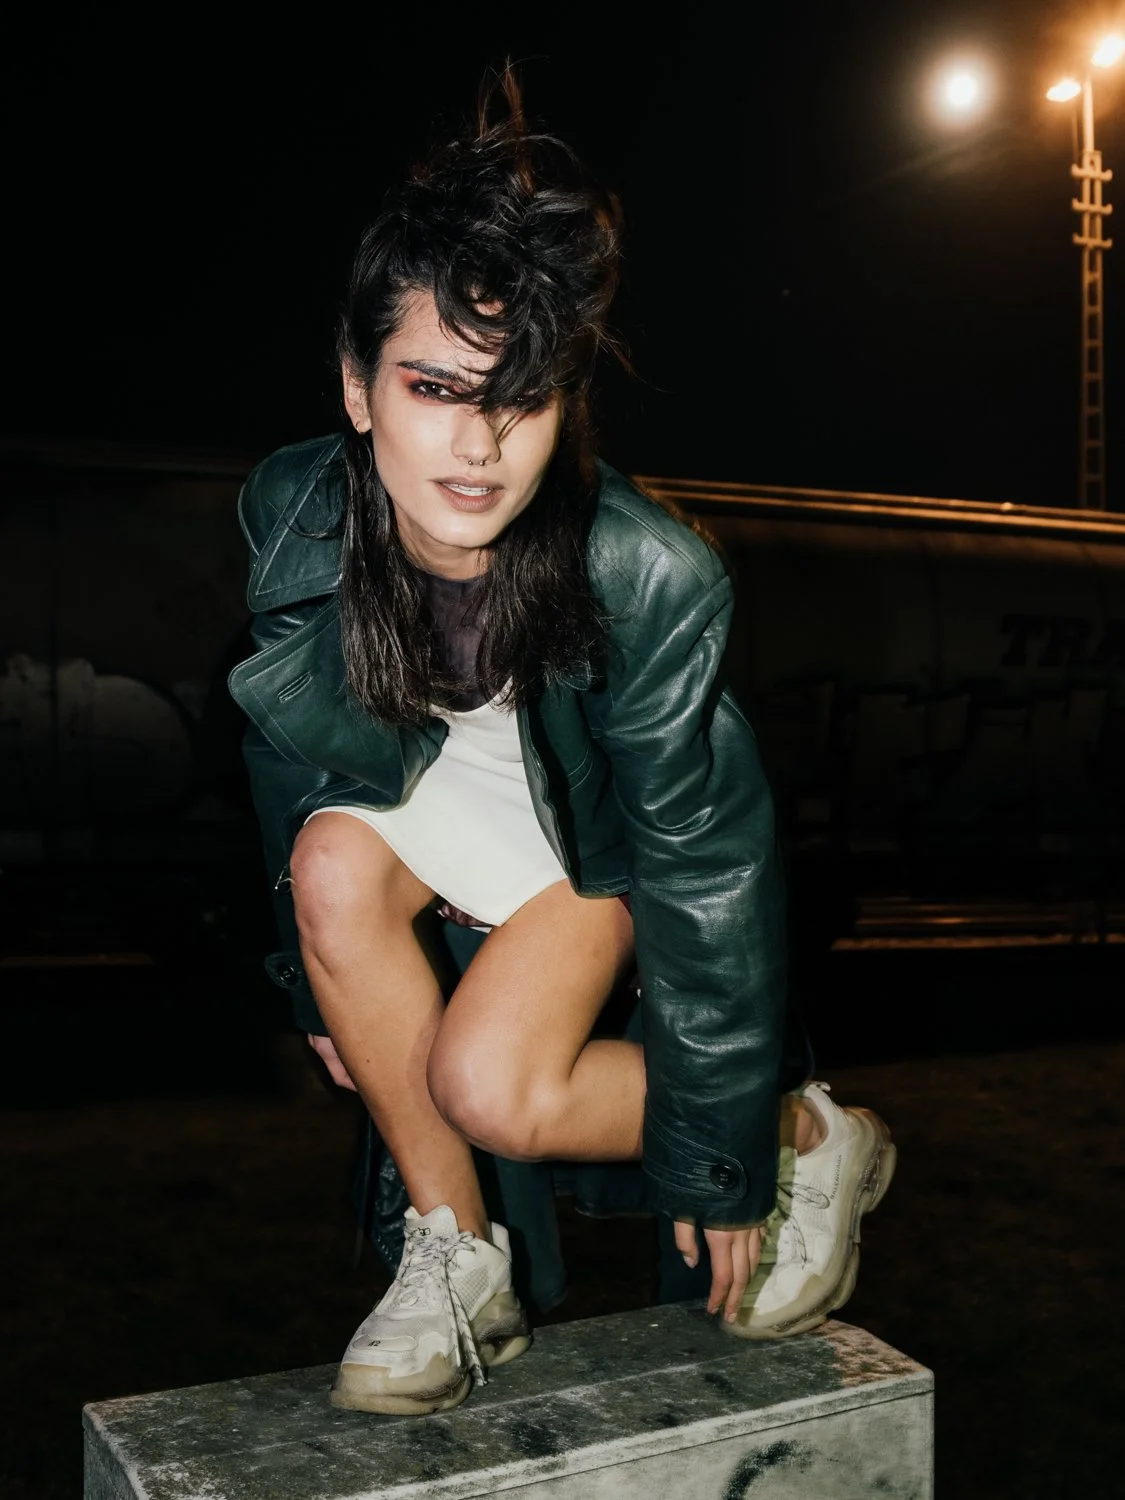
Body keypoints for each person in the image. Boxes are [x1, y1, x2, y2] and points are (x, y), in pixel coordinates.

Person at [228, 69, 895, 1418]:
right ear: (358, 389)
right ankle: (455, 1255)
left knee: (491, 1084)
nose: (477, 445)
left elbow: (702, 868)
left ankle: (803, 1128)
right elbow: (297, 757)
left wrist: (726, 1161)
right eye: (433, 386)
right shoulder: (296, 510)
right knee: (330, 874)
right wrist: (316, 984)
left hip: (587, 838)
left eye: (521, 399)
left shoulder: (649, 574)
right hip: (424, 801)